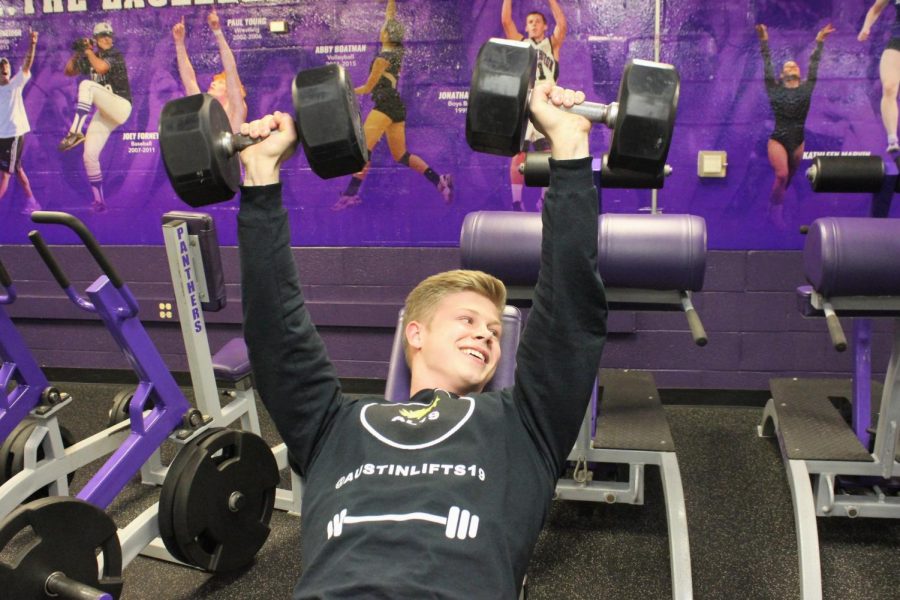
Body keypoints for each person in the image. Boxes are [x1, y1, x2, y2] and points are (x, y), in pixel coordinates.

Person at [236, 81, 607, 598]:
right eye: (468, 320)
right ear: (415, 332)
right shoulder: (336, 426)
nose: (486, 334)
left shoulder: (522, 427)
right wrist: (259, 177)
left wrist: (568, 148)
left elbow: (570, 309)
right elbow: (276, 331)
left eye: (496, 331)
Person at [333, 0, 453, 211]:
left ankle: (350, 194)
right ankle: (439, 180)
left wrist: (347, 92)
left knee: (364, 151)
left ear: (387, 35)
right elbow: (390, 16)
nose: (380, 30)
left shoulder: (383, 59)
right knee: (401, 155)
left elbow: (368, 87)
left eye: (383, 29)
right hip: (396, 107)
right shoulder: (397, 51)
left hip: (385, 106)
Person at [756, 23, 834, 229]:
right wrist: (764, 41)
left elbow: (814, 64)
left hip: (798, 141)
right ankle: (775, 212)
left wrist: (819, 41)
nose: (791, 67)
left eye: (794, 65)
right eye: (787, 66)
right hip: (778, 139)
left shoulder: (807, 88)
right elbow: (767, 64)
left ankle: (772, 210)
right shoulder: (775, 90)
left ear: (800, 73)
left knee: (787, 180)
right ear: (781, 76)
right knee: (781, 175)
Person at [58, 21, 132, 213]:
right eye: (102, 36)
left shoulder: (114, 54)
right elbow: (68, 71)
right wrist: (79, 51)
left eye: (109, 35)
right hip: (105, 112)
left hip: (121, 105)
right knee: (89, 155)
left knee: (86, 86)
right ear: (96, 39)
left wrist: (89, 51)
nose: (107, 38)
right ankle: (99, 201)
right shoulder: (92, 55)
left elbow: (100, 68)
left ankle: (74, 132)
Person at [501, 0, 567, 212]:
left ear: (545, 26)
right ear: (526, 27)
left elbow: (563, 25)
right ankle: (517, 202)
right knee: (518, 155)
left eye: (538, 21)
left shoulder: (552, 43)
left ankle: (544, 199)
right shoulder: (521, 43)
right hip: (526, 102)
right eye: (530, 22)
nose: (535, 24)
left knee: (547, 155)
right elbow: (505, 21)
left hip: (547, 103)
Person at [172, 9, 247, 133]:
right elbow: (189, 81)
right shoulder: (204, 109)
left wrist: (217, 32)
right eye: (214, 80)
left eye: (219, 82)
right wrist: (179, 43)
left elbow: (230, 69)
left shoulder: (237, 110)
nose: (213, 82)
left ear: (229, 89)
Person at [0, 30, 39, 215]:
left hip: (14, 135)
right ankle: (32, 200)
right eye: (0, 67)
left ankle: (32, 202)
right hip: (1, 136)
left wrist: (32, 44)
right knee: (17, 169)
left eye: (5, 65)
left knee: (6, 173)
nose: (3, 68)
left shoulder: (15, 84)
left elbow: (26, 65)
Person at [859, 0, 900, 152]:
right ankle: (892, 139)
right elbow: (875, 9)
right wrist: (866, 27)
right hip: (897, 42)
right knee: (889, 86)